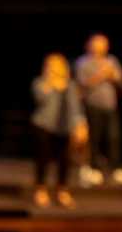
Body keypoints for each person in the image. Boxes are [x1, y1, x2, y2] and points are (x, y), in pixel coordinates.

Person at [74, 33, 122, 185]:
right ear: (90, 45)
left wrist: (113, 76)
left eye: (103, 44)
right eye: (97, 43)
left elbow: (121, 81)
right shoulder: (83, 62)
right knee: (95, 137)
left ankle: (115, 168)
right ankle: (93, 168)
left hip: (110, 106)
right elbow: (81, 85)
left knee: (113, 137)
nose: (101, 47)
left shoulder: (111, 61)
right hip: (92, 105)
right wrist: (101, 75)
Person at [28, 53, 84, 207]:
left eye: (57, 65)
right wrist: (51, 83)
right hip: (43, 125)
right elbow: (40, 99)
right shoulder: (39, 83)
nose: (54, 68)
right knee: (43, 159)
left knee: (65, 160)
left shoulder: (71, 85)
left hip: (64, 127)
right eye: (50, 65)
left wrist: (79, 124)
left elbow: (75, 107)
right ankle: (40, 190)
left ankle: (62, 191)